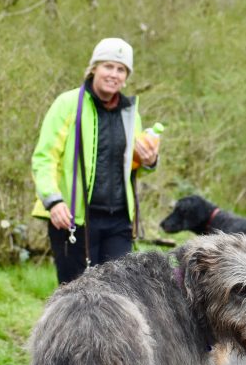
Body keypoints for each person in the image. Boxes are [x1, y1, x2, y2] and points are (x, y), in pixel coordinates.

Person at [31, 37, 159, 284]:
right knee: (75, 298)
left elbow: (130, 167)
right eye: (108, 66)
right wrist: (53, 201)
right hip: (73, 220)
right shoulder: (67, 105)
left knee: (120, 294)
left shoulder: (131, 114)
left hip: (119, 222)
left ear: (126, 76)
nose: (114, 74)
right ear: (94, 68)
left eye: (121, 69)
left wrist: (149, 161)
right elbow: (44, 158)